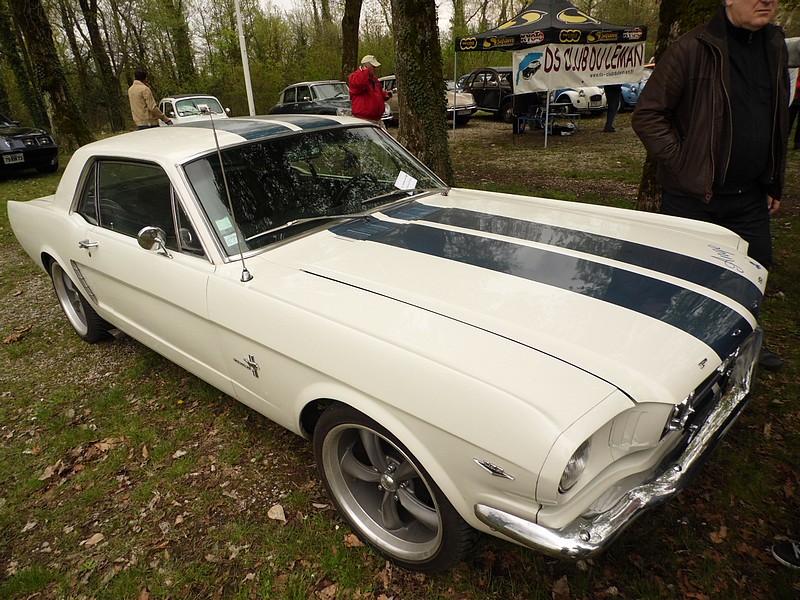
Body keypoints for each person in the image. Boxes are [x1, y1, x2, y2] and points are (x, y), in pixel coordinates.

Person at [631, 0, 788, 371]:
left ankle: (740, 341)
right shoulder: (691, 48)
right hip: (694, 198)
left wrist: (773, 181)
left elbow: (777, 117)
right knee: (688, 280)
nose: (767, 1)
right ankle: (684, 354)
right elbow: (648, 114)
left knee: (753, 273)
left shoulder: (775, 44)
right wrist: (684, 165)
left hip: (750, 196)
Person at [348, 55, 390, 127]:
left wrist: (385, 95)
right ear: (365, 65)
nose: (375, 69)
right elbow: (360, 85)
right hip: (363, 119)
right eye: (373, 66)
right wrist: (365, 71)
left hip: (377, 119)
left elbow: (377, 93)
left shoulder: (373, 79)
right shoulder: (355, 76)